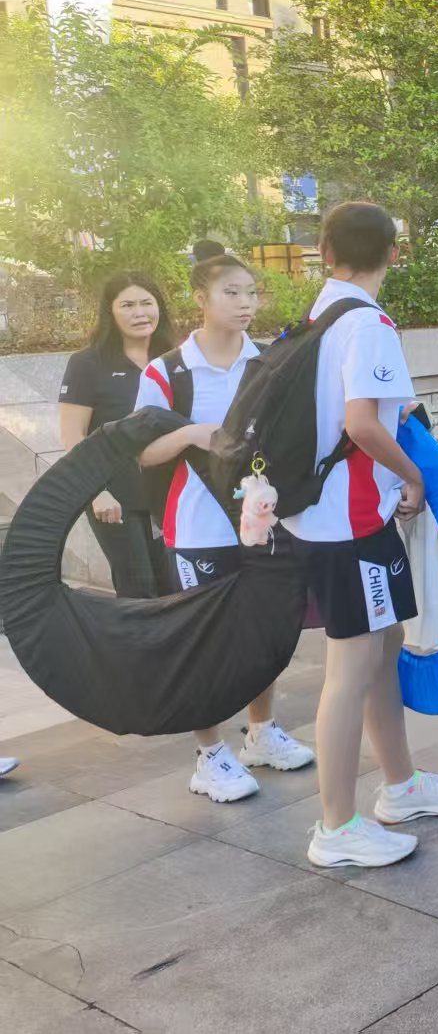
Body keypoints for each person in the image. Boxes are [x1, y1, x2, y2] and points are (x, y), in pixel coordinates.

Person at [289, 201, 438, 868]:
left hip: (334, 518)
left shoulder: (319, 315)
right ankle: (336, 827)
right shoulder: (366, 324)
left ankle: (400, 785)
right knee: (352, 666)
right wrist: (414, 477)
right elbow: (363, 424)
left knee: (385, 644)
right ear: (394, 253)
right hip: (348, 523)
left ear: (324, 251)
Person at [133, 248, 316, 804]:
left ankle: (261, 732)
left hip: (259, 523)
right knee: (204, 640)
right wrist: (193, 434)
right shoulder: (167, 372)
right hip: (196, 530)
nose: (245, 303)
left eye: (251, 292)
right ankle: (209, 754)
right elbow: (140, 452)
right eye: (231, 292)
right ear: (201, 298)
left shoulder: (266, 362)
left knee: (264, 630)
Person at [58, 272, 178, 598]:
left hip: (169, 492)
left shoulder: (175, 359)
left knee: (175, 588)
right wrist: (96, 492)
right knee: (139, 589)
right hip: (114, 496)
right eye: (127, 305)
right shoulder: (87, 363)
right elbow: (72, 435)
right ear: (110, 312)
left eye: (146, 303)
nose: (140, 313)